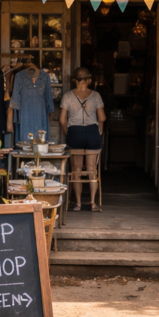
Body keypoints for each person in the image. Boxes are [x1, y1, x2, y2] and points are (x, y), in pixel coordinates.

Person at [59, 67, 106, 212]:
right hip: (92, 131)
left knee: (76, 170)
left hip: (75, 132)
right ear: (89, 80)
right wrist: (100, 129)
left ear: (75, 80)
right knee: (92, 171)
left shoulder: (68, 96)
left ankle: (78, 204)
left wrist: (68, 131)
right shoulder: (96, 95)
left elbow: (62, 119)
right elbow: (102, 117)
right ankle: (92, 203)